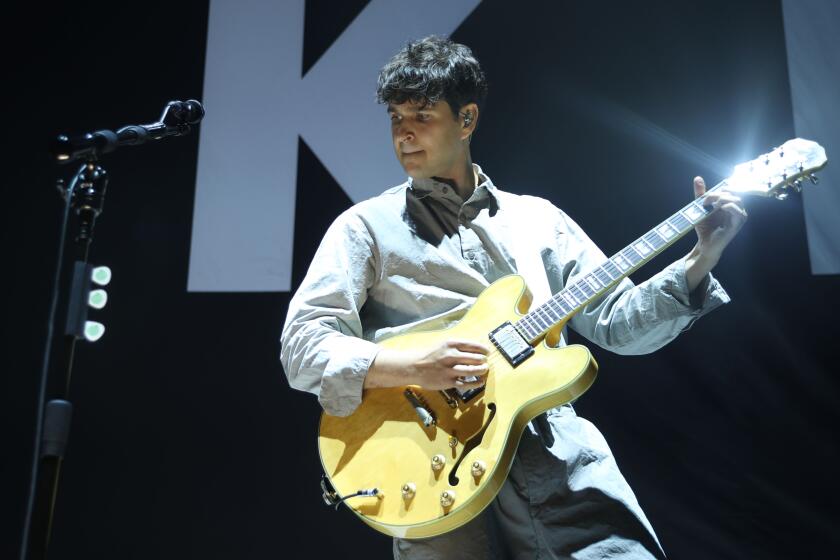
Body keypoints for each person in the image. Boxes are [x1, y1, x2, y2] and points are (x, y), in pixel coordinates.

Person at [280, 36, 746, 559]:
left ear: (467, 119)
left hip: (557, 457)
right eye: (395, 117)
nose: (404, 132)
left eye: (422, 114)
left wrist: (698, 260)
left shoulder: (538, 219)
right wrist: (413, 364)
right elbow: (302, 347)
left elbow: (619, 324)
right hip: (434, 474)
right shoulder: (364, 227)